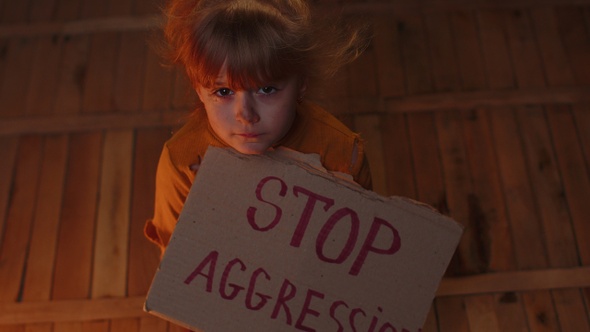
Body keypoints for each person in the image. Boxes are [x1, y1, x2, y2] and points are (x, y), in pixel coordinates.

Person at [144, 0, 373, 255]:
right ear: (199, 89)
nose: (246, 115)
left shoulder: (341, 154)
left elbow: (357, 254)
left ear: (302, 84)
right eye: (223, 91)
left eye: (266, 89)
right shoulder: (182, 162)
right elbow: (177, 259)